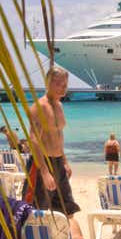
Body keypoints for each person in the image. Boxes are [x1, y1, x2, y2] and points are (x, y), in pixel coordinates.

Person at [22, 65, 81, 217]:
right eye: (58, 83)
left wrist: (65, 162)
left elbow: (58, 137)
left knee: (66, 209)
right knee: (35, 212)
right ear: (48, 82)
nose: (62, 88)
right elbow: (34, 140)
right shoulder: (39, 106)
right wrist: (44, 171)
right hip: (42, 164)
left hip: (59, 162)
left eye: (65, 85)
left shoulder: (59, 105)